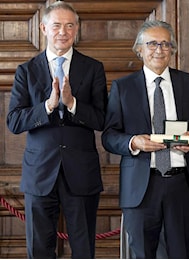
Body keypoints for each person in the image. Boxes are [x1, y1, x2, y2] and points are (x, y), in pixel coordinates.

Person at [101, 20, 189, 259]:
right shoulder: (123, 87)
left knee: (181, 253)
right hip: (141, 186)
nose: (159, 50)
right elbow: (109, 136)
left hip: (181, 184)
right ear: (139, 49)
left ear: (172, 49)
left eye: (165, 44)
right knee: (143, 254)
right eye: (152, 44)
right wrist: (134, 143)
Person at [6, 1, 107, 258]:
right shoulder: (26, 71)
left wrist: (72, 103)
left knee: (84, 250)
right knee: (39, 249)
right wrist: (48, 106)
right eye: (57, 25)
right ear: (43, 28)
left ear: (76, 29)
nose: (63, 31)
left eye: (70, 26)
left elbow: (102, 119)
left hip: (81, 173)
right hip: (40, 173)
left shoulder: (93, 68)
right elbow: (14, 121)